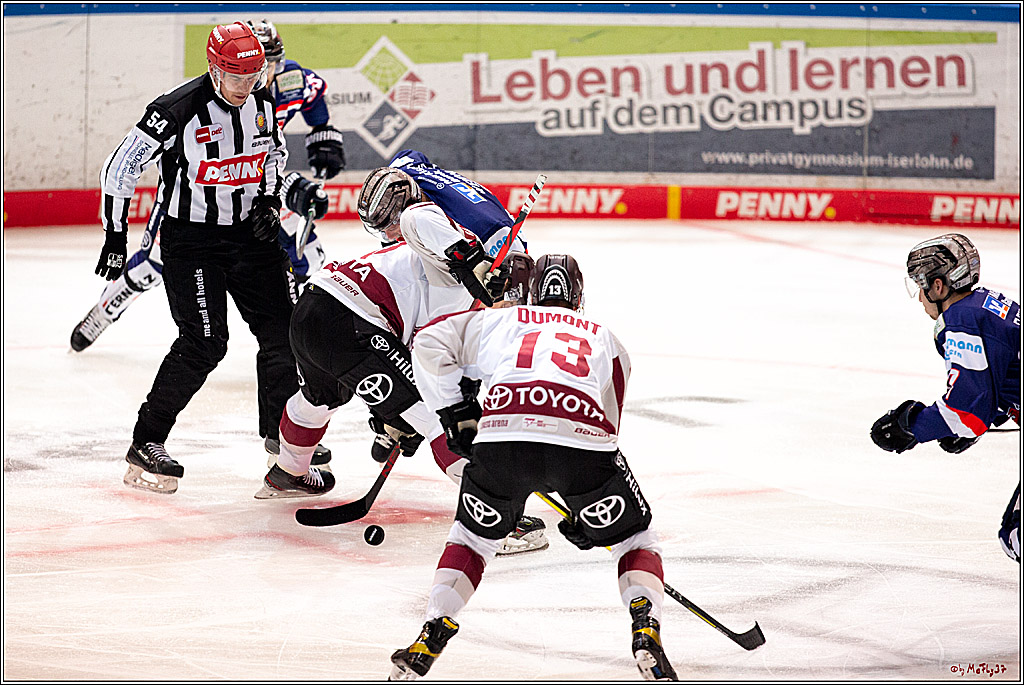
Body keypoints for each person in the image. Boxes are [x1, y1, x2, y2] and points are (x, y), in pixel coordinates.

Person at [391, 254, 677, 681]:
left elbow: (429, 343)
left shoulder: (501, 320)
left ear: (530, 291)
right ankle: (645, 627)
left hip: (502, 439)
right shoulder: (608, 339)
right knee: (636, 538)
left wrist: (455, 411)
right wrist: (588, 509)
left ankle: (433, 628)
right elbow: (608, 430)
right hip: (582, 448)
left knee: (470, 541)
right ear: (579, 296)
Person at [95, 22, 332, 496]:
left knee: (284, 333)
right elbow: (119, 167)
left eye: (255, 75)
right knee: (204, 343)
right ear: (213, 69)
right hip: (191, 241)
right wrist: (115, 235)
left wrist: (268, 199)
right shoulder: (175, 109)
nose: (248, 87)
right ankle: (147, 441)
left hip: (249, 235)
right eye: (237, 78)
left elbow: (271, 158)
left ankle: (282, 444)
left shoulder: (262, 101)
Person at [69, 19, 344, 358]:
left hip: (255, 190)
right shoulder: (203, 101)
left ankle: (293, 343)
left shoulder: (290, 82)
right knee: (150, 268)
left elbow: (310, 117)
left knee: (309, 257)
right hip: (200, 192)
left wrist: (324, 141)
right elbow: (131, 164)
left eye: (269, 65)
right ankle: (109, 305)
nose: (258, 77)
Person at [870, 233, 1020, 563]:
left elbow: (966, 412)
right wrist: (983, 418)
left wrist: (913, 426)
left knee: (1017, 535)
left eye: (921, 287)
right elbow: (1004, 382)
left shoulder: (963, 320)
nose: (920, 299)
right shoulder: (988, 304)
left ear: (938, 287)